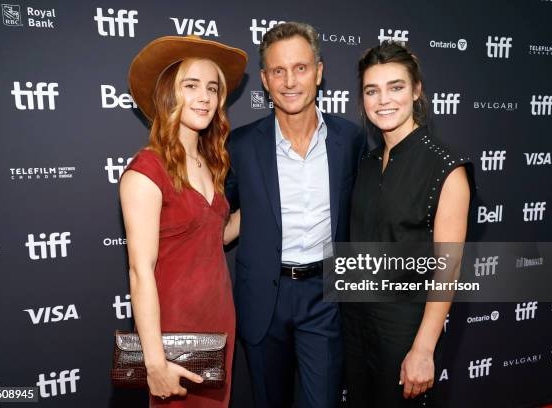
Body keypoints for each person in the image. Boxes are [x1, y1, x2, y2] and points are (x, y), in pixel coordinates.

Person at [225, 22, 366, 408]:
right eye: (278, 71)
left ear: (319, 73)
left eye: (300, 68)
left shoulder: (349, 139)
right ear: (266, 81)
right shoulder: (240, 145)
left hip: (326, 295)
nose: (290, 81)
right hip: (263, 298)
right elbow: (218, 218)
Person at [341, 41, 474, 407]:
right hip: (355, 325)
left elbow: (449, 269)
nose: (383, 100)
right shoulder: (366, 163)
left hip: (405, 331)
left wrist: (423, 349)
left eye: (396, 87)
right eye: (372, 90)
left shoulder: (446, 168)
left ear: (416, 91)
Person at [119, 35, 246, 407]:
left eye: (212, 88)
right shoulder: (146, 171)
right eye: (190, 86)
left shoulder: (212, 163)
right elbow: (140, 272)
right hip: (173, 329)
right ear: (167, 95)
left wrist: (264, 205)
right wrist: (154, 362)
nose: (204, 97)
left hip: (219, 319)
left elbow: (216, 237)